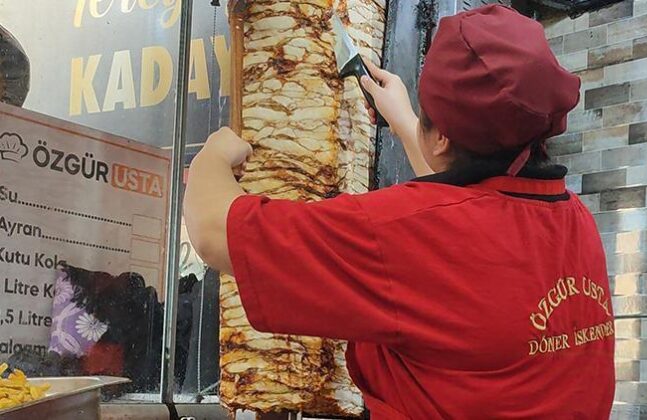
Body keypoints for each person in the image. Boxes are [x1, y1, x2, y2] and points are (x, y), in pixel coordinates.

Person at [184, 4, 615, 419]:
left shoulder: (406, 236)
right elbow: (474, 212)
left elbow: (212, 231)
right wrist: (407, 118)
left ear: (442, 138)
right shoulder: (574, 219)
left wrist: (213, 156)